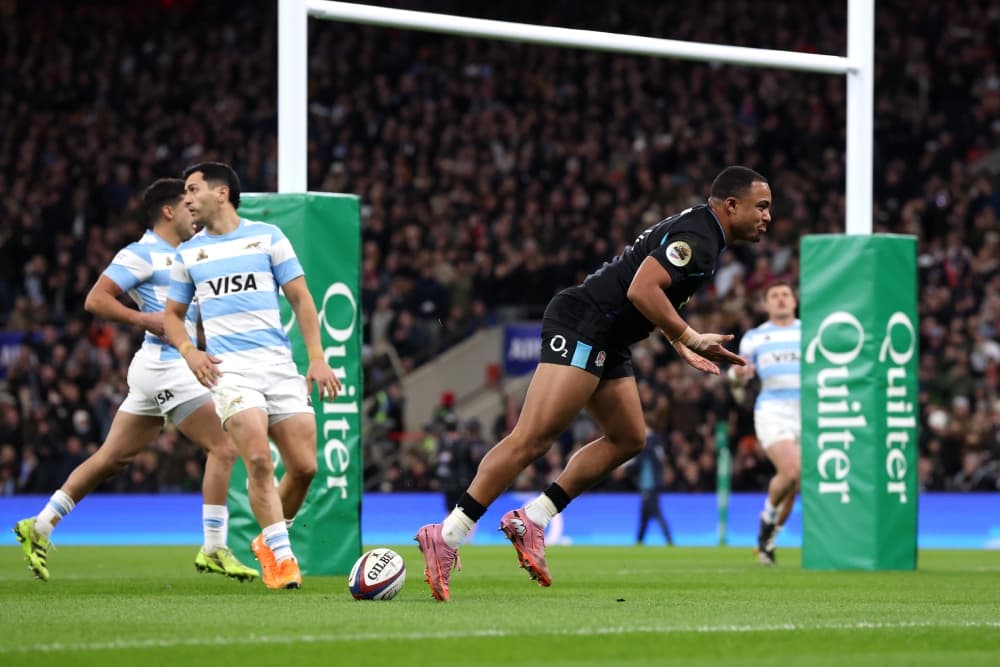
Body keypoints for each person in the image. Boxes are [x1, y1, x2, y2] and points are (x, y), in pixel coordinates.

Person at [415, 165, 771, 601]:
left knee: (629, 437)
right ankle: (447, 535)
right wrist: (688, 335)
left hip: (610, 335)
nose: (768, 217)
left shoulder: (701, 229)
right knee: (532, 439)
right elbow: (642, 289)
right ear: (731, 205)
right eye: (762, 206)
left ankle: (534, 518)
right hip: (586, 323)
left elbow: (647, 288)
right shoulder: (700, 238)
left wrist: (677, 341)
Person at [12, 178, 257, 583]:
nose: (194, 213)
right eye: (187, 206)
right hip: (166, 366)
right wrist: (143, 318)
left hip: (157, 367)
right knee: (224, 445)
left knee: (111, 459)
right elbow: (96, 299)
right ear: (168, 211)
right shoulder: (141, 253)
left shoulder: (187, 253)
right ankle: (214, 548)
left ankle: (40, 525)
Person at [164, 162, 341, 590]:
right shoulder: (188, 253)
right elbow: (172, 315)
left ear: (221, 193)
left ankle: (267, 541)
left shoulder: (268, 237)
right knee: (259, 459)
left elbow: (301, 298)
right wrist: (189, 351)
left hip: (278, 367)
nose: (186, 199)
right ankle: (283, 558)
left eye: (193, 189)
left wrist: (317, 358)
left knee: (305, 467)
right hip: (230, 371)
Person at [728, 281, 800, 565]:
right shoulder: (755, 337)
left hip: (807, 411)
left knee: (794, 484)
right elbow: (736, 375)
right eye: (774, 296)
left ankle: (768, 538)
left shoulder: (809, 332)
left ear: (794, 301)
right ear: (766, 305)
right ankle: (766, 522)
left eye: (785, 294)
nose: (781, 299)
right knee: (790, 471)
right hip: (773, 410)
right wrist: (738, 376)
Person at [631, 418, 674, 546]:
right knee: (645, 514)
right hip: (644, 484)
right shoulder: (642, 442)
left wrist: (647, 442)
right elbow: (637, 463)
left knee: (655, 513)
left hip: (653, 484)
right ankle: (640, 541)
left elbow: (659, 458)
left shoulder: (655, 440)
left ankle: (668, 539)